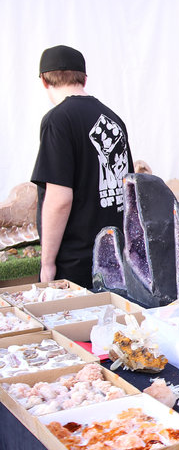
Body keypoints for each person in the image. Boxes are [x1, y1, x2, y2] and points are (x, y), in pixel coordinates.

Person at [31, 45, 131, 288]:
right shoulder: (114, 119)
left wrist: (47, 263)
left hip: (76, 266)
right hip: (117, 259)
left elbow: (59, 199)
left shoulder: (58, 120)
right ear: (84, 78)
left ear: (44, 80)